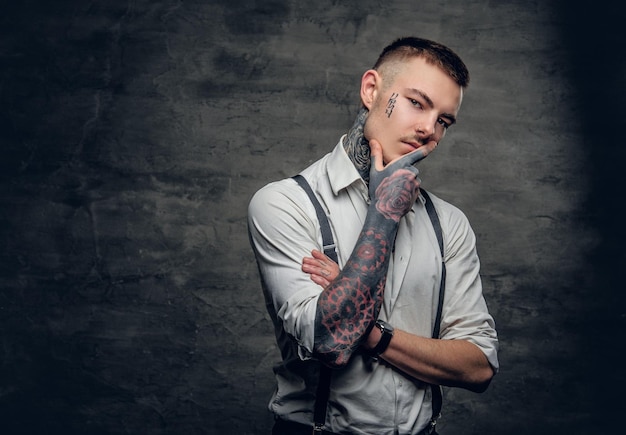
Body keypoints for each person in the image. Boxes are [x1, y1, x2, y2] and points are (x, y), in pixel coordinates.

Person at [248, 36, 499, 435]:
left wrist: (364, 324)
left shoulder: (448, 223)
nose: (428, 130)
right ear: (371, 90)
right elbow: (329, 339)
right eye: (417, 103)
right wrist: (384, 214)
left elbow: (479, 367)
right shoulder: (283, 204)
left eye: (444, 121)